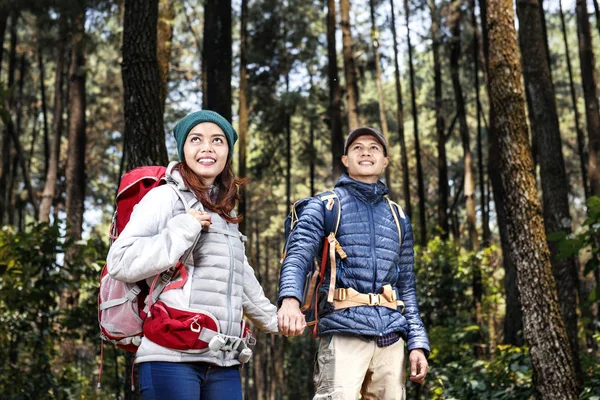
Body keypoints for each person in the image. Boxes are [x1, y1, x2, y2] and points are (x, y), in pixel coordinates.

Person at [107, 110, 278, 400]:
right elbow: (120, 262)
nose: (207, 147)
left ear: (228, 152)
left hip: (223, 361)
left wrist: (280, 321)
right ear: (183, 149)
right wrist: (182, 229)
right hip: (169, 357)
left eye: (218, 140)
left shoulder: (225, 211)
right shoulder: (164, 198)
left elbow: (241, 280)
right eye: (196, 139)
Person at [277, 127, 430, 400]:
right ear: (345, 160)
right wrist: (289, 299)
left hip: (391, 341)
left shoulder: (398, 217)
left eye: (374, 148)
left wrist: (417, 343)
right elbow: (297, 255)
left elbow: (406, 286)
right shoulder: (324, 206)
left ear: (385, 161)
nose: (366, 151)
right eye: (357, 147)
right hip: (343, 333)